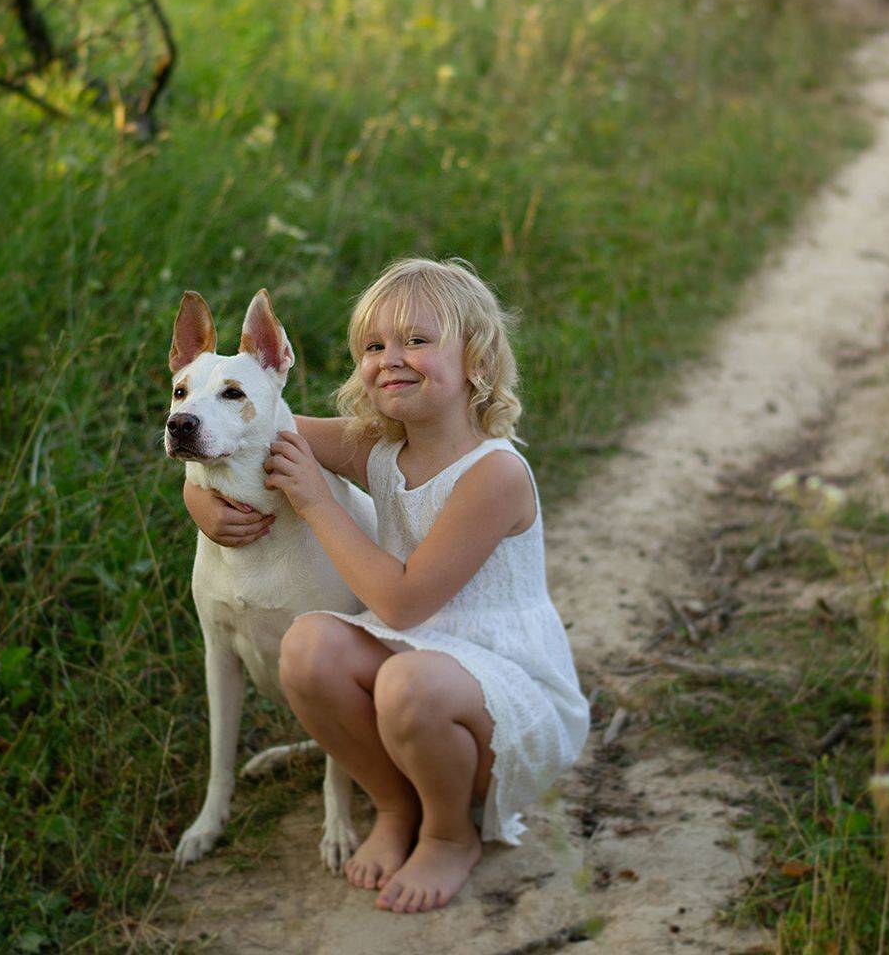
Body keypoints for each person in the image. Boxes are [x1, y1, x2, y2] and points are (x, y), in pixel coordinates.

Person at [184, 258, 588, 914]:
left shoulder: (494, 474)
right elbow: (246, 431)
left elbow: (400, 604)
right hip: (421, 669)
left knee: (407, 683)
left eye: (417, 341)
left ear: (477, 359)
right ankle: (396, 805)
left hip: (506, 698)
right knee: (308, 646)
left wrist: (318, 502)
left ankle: (450, 833)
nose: (390, 359)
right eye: (373, 346)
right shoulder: (377, 446)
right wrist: (197, 499)